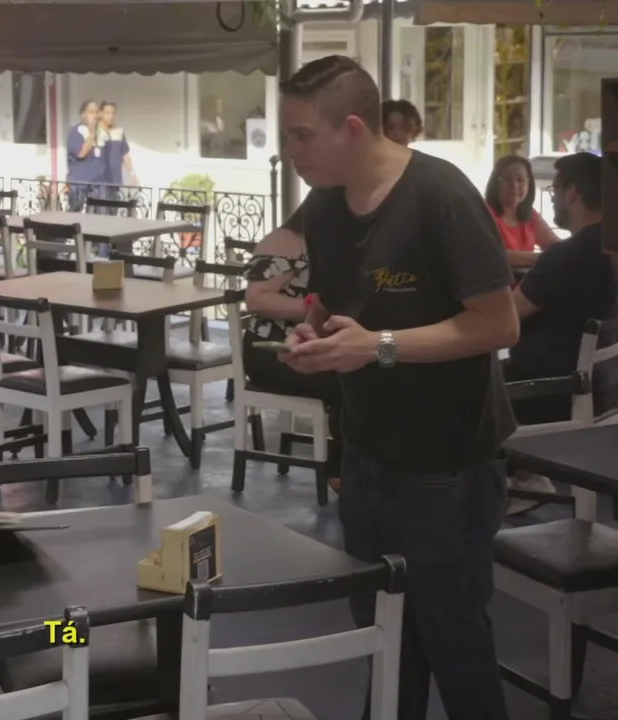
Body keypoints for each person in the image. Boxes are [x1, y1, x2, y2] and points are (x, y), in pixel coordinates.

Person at [278, 55, 517, 720]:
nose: (290, 150)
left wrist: (377, 346)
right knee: (385, 641)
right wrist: (314, 336)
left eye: (302, 136)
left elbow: (498, 325)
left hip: (448, 464)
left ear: (352, 129)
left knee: (455, 644)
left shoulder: (441, 196)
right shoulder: (325, 207)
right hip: (367, 457)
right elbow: (336, 304)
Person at [504, 152, 618, 512]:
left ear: (573, 193)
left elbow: (505, 320)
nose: (552, 198)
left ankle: (478, 495)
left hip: (555, 393)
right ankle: (526, 476)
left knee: (463, 381)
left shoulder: (568, 255)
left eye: (555, 189)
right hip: (605, 387)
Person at [242, 226, 343, 492]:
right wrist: (315, 308)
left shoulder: (340, 237)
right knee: (348, 381)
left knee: (368, 371)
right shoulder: (285, 241)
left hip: (314, 344)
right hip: (270, 349)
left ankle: (364, 467)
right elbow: (255, 300)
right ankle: (340, 468)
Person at [484, 155, 560, 268]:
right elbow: (495, 255)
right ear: (495, 183)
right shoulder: (484, 212)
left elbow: (557, 247)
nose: (514, 186)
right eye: (507, 179)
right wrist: (543, 257)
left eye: (520, 180)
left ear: (529, 184)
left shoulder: (531, 215)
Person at [66, 100, 105, 210]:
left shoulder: (101, 132)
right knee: (75, 215)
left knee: (96, 216)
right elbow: (81, 153)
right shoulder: (76, 132)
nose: (95, 116)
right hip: (79, 184)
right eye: (91, 112)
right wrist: (92, 133)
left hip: (97, 184)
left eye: (97, 112)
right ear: (83, 115)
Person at [98, 101, 138, 187]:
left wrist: (132, 173)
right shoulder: (95, 131)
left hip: (115, 181)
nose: (111, 116)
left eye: (113, 113)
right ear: (100, 113)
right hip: (99, 181)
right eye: (107, 113)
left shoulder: (119, 132)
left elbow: (125, 155)